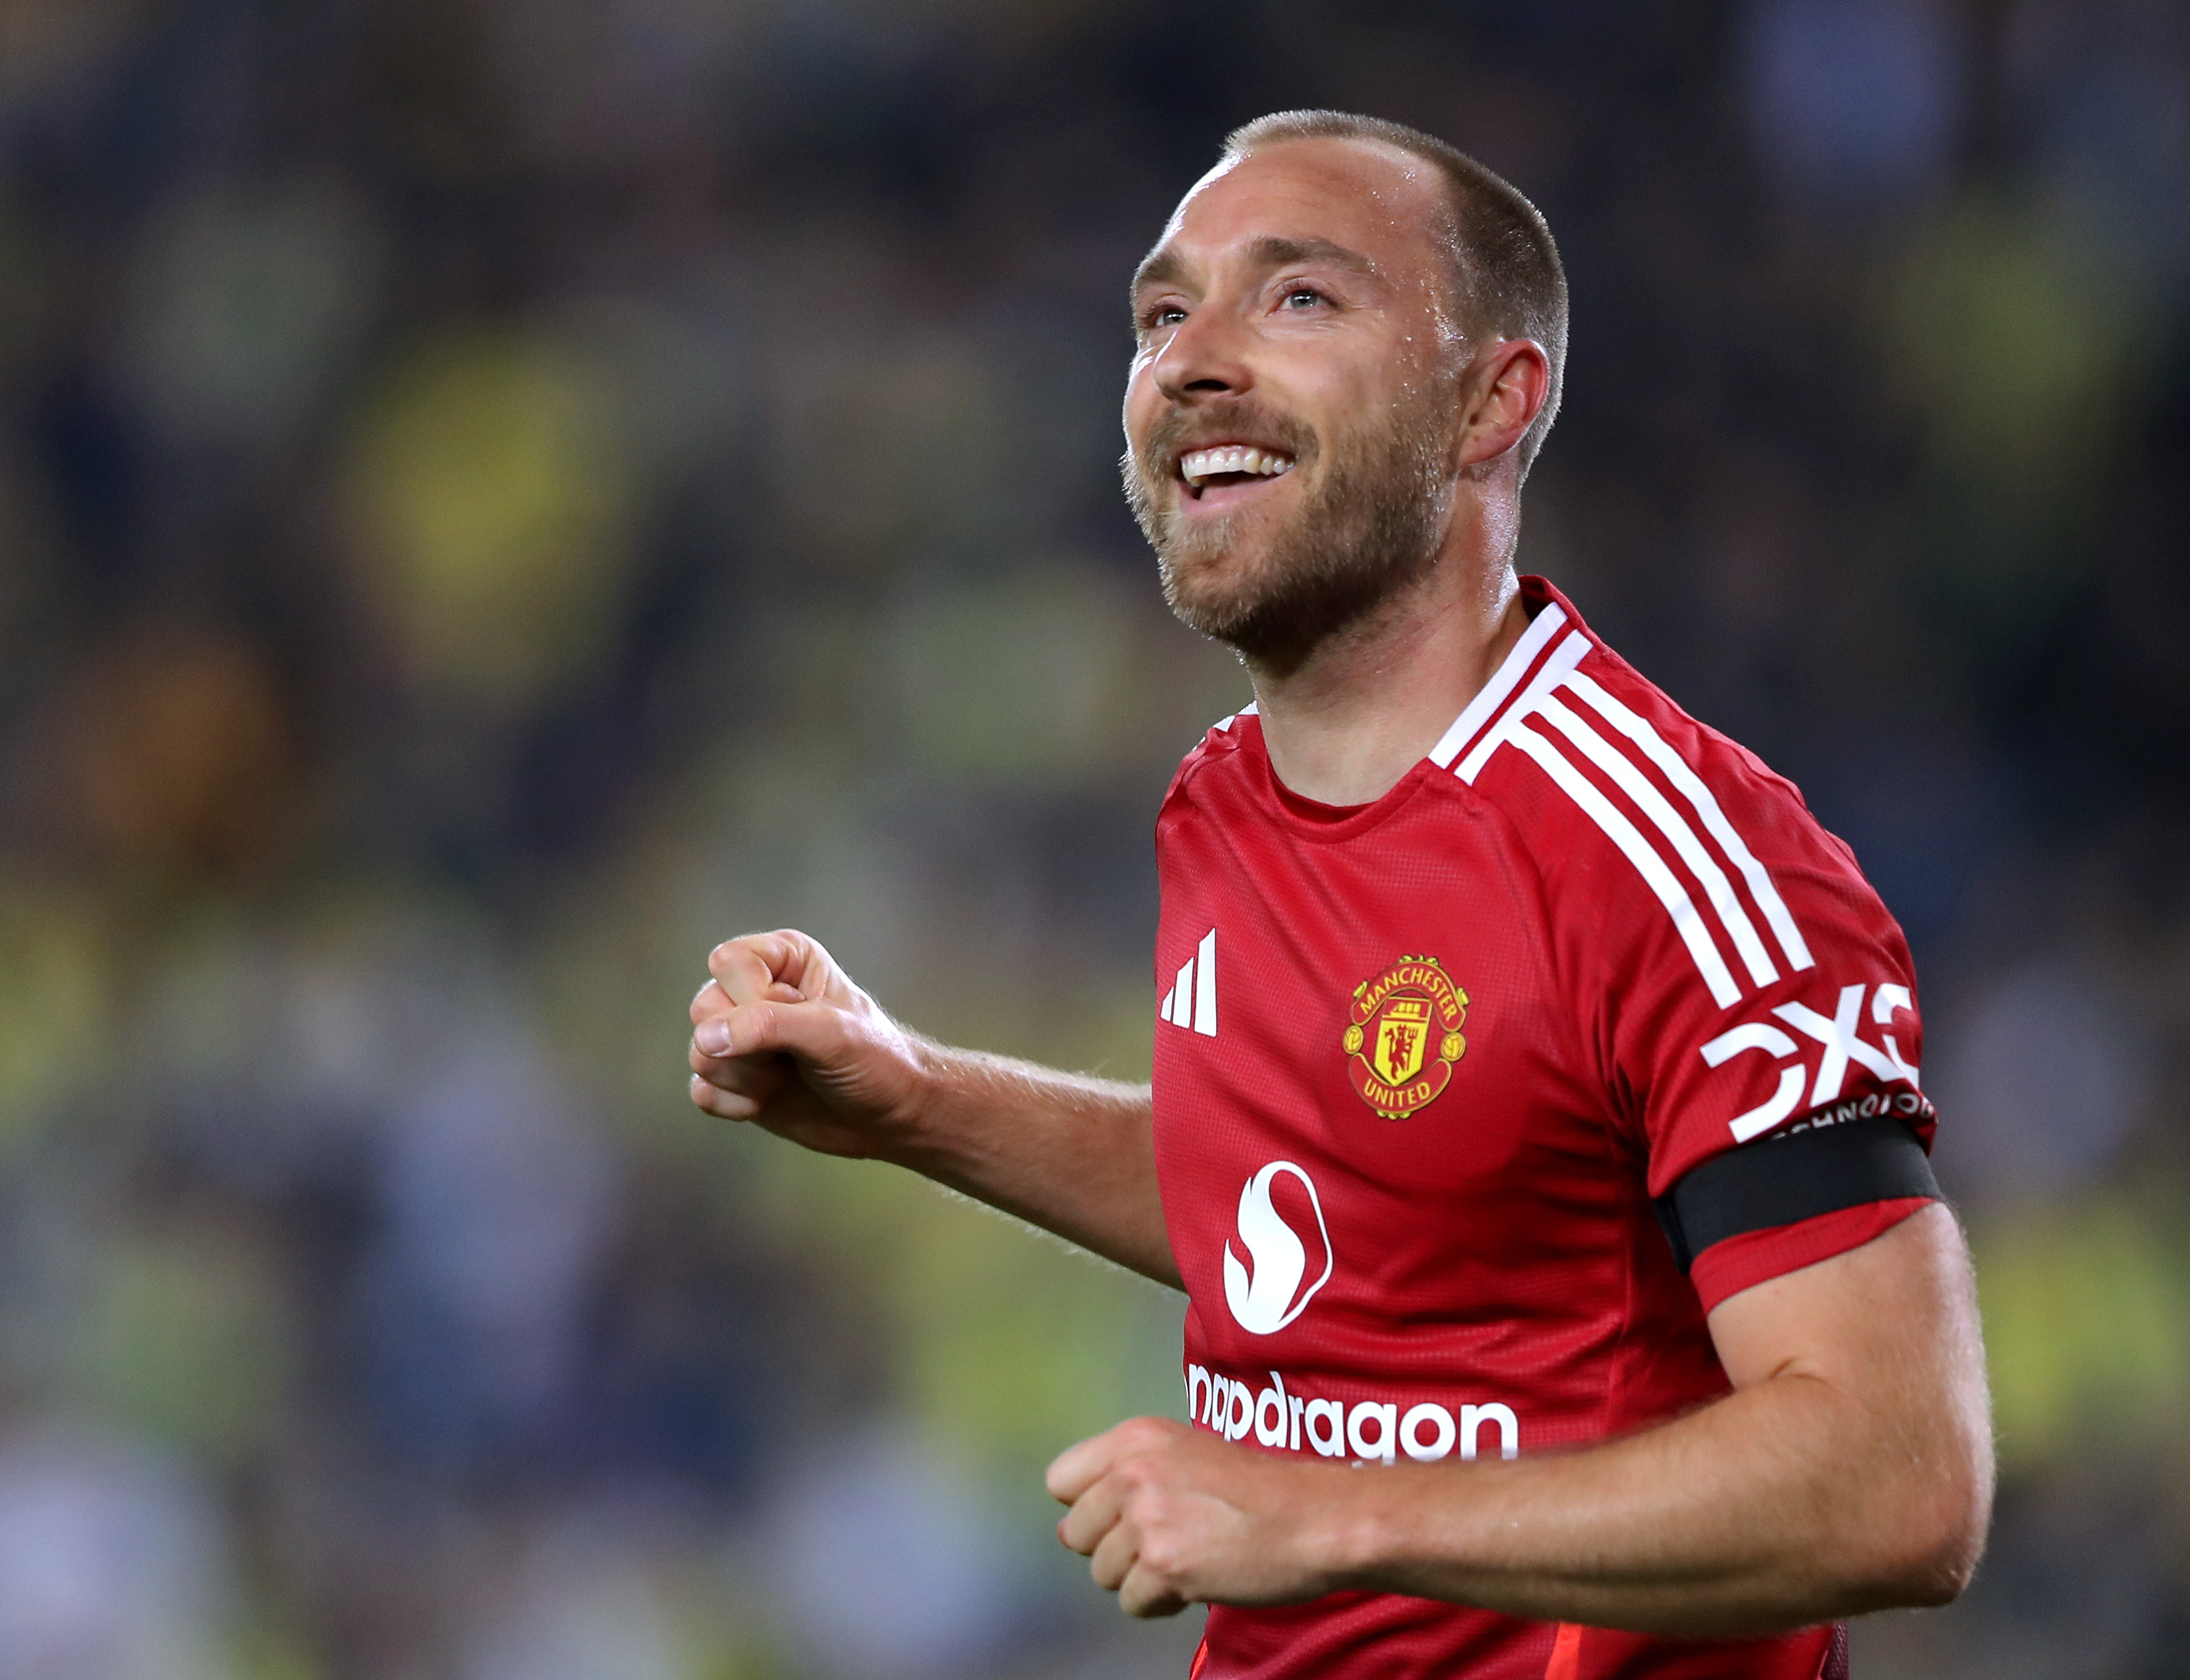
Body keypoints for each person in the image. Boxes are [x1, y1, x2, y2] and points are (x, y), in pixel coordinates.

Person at [687, 109, 1991, 1679]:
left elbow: (1904, 1479)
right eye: (1164, 313)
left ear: (1487, 405)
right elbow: (1330, 1211)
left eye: (1299, 298)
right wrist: (914, 1098)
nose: (1193, 358)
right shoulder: (1224, 799)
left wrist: (1329, 1511)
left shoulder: (1679, 858)